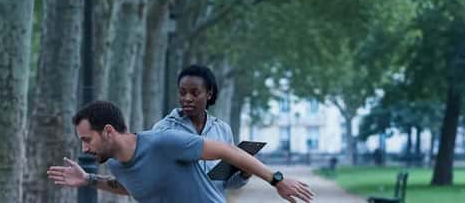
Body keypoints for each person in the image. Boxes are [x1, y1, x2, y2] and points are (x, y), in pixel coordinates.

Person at [47, 101, 313, 203]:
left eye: (87, 139)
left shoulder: (164, 142)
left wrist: (276, 180)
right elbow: (133, 186)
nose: (84, 148)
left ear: (108, 131)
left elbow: (229, 151)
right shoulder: (116, 165)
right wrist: (89, 180)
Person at [152, 64, 249, 195]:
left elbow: (226, 183)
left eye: (195, 93)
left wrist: (245, 174)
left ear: (209, 94)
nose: (187, 98)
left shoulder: (223, 130)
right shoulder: (163, 129)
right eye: (182, 92)